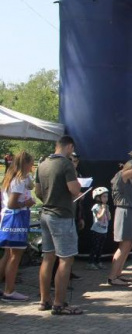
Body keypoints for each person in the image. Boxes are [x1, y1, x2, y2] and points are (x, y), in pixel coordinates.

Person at [35, 135, 83, 315]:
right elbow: (74, 189)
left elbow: (38, 191)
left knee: (48, 258)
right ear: (69, 147)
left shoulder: (42, 164)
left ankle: (43, 299)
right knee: (66, 259)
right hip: (61, 215)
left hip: (45, 214)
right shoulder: (66, 164)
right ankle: (59, 303)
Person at [108, 150, 132, 287]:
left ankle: (118, 273)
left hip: (128, 212)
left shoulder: (127, 178)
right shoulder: (122, 175)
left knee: (128, 244)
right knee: (124, 245)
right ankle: (112, 277)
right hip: (124, 212)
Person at [0, 151, 35, 302]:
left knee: (7, 254)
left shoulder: (13, 177)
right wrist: (26, 203)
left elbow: (32, 185)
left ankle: (5, 288)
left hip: (8, 218)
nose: (32, 166)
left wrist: (29, 178)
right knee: (15, 256)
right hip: (16, 217)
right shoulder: (19, 180)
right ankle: (9, 291)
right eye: (31, 163)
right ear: (26, 164)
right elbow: (12, 203)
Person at [87, 187, 111, 270]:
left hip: (104, 230)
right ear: (97, 197)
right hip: (96, 230)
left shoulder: (106, 206)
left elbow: (109, 218)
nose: (106, 198)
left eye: (107, 196)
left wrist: (107, 210)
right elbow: (99, 217)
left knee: (100, 248)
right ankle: (90, 263)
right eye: (104, 196)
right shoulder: (96, 206)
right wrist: (103, 209)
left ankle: (98, 262)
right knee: (95, 248)